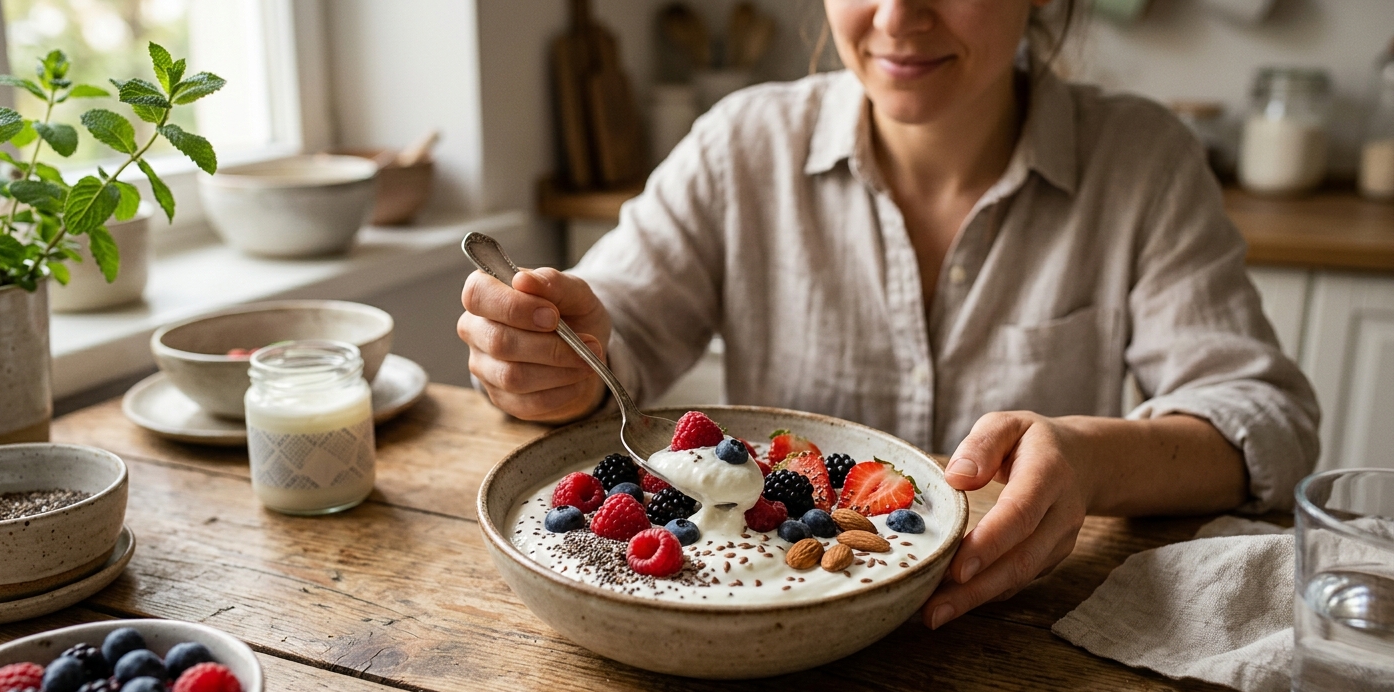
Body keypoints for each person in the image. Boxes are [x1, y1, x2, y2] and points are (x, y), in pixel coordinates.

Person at [458, 0, 1319, 629]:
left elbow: (1268, 422)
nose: (899, 17)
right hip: (761, 639)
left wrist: (1095, 460)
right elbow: (611, 341)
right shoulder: (740, 146)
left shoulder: (1143, 162)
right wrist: (550, 358)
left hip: (1021, 646)